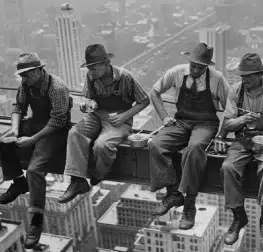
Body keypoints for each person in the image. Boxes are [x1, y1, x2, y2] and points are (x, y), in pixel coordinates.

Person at [149, 42, 230, 230]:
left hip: (206, 123)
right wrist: (164, 117)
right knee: (156, 144)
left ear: (207, 66)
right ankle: (172, 193)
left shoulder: (217, 79)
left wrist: (222, 135)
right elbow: (154, 92)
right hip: (182, 121)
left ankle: (190, 203)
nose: (194, 69)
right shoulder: (177, 72)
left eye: (199, 67)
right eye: (192, 65)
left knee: (194, 149)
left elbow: (230, 109)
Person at [58, 44, 150, 203]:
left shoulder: (125, 77)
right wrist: (87, 104)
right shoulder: (91, 77)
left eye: (94, 67)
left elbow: (144, 101)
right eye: (89, 68)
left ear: (106, 64)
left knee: (102, 145)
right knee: (74, 133)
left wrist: (124, 117)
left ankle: (98, 174)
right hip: (97, 114)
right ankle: (77, 181)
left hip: (119, 118)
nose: (91, 71)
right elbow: (87, 97)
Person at [0, 53, 72, 248]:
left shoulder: (56, 87)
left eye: (28, 74)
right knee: (3, 141)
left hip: (55, 130)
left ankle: (36, 221)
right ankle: (18, 181)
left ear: (40, 70)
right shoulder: (26, 85)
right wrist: (15, 130)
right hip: (36, 123)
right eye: (22, 75)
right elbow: (18, 106)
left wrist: (32, 139)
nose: (24, 79)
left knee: (34, 169)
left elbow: (58, 121)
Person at [216, 53, 263, 251]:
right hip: (242, 139)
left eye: (248, 76)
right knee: (228, 167)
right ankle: (239, 216)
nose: (244, 80)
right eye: (242, 76)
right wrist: (242, 121)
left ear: (259, 75)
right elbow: (228, 123)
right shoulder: (235, 91)